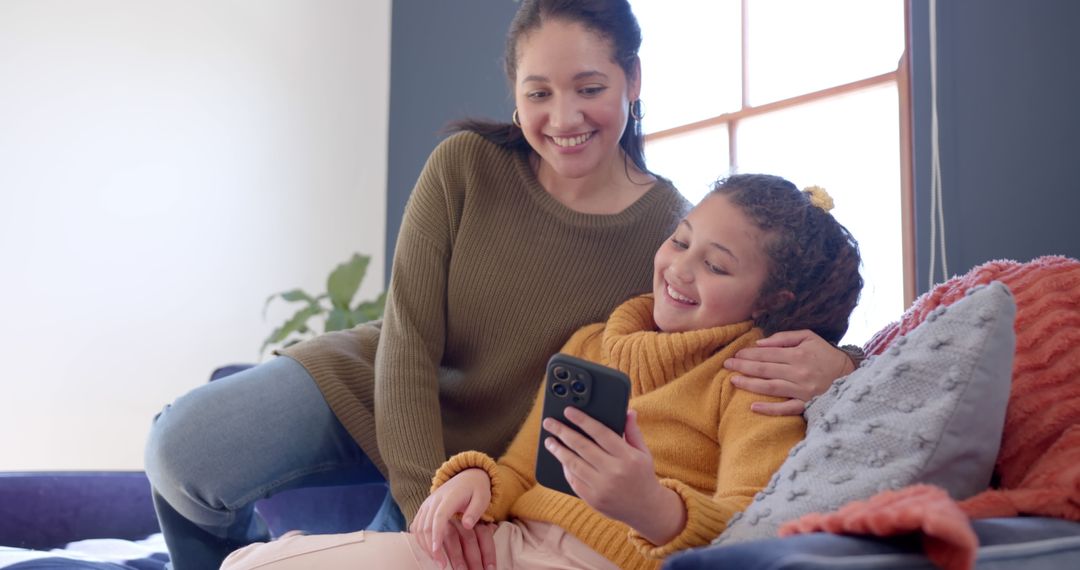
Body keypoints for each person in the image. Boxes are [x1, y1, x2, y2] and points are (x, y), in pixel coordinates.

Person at [143, 1, 855, 568]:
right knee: (181, 449)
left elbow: (774, 305)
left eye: (591, 88)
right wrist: (427, 498)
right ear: (513, 95)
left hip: (503, 460)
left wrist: (843, 364)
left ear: (633, 81)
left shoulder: (670, 229)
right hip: (387, 388)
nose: (564, 117)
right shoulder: (466, 165)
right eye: (538, 92)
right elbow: (410, 338)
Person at [218, 174, 865, 570]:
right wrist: (474, 482)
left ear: (774, 302)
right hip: (501, 548)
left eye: (716, 265)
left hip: (606, 562)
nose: (679, 266)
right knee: (251, 563)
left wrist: (653, 508)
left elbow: (750, 530)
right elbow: (522, 466)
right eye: (680, 238)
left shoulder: (755, 379)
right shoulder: (592, 341)